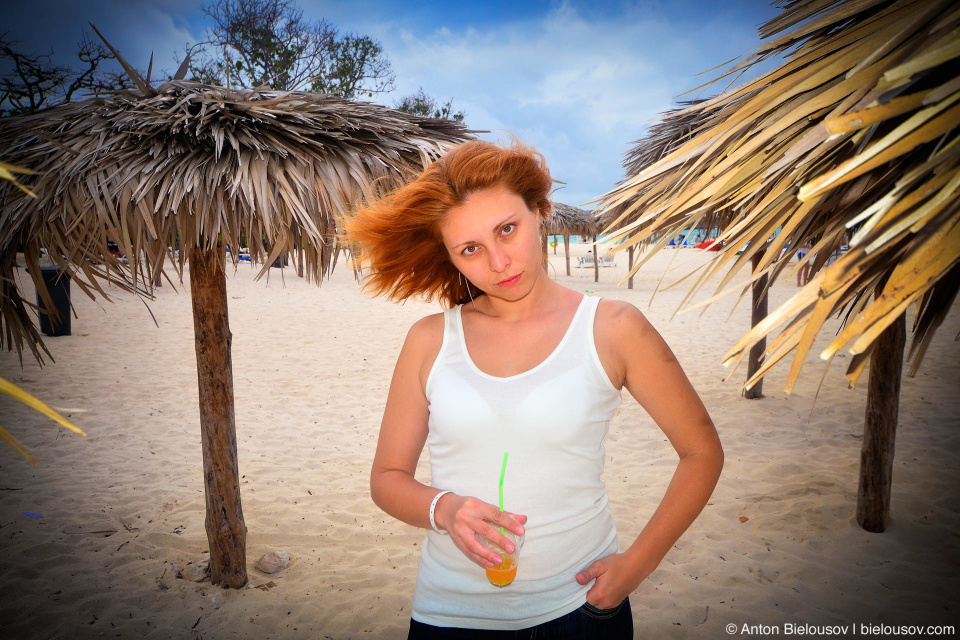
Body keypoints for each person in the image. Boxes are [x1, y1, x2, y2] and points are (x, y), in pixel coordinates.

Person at [345, 140, 723, 638]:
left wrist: (637, 565)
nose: (499, 262)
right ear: (451, 257)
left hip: (580, 608)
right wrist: (446, 509)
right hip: (448, 615)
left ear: (539, 211)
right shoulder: (429, 340)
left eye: (508, 229)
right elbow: (388, 478)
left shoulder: (612, 328)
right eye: (471, 249)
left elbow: (702, 452)